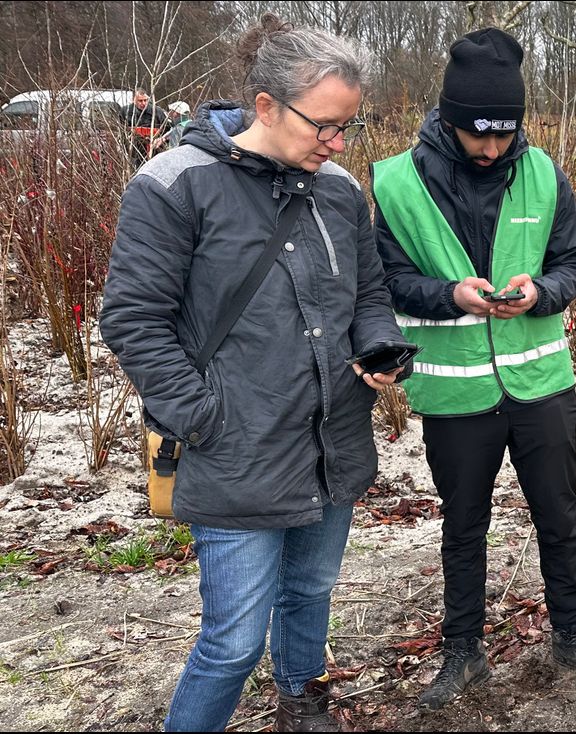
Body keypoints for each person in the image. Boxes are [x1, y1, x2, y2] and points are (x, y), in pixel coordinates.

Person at [100, 14, 404, 732]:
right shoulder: (175, 185)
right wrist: (203, 416)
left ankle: (301, 701)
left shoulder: (338, 190)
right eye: (324, 126)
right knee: (233, 640)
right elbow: (134, 321)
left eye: (348, 127)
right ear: (266, 105)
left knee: (311, 592)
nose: (337, 144)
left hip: (331, 438)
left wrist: (380, 346)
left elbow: (368, 293)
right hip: (234, 450)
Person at [370, 27, 576, 709]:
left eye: (504, 135)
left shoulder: (543, 172)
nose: (491, 149)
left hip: (541, 386)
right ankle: (463, 653)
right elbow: (386, 281)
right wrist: (450, 296)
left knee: (558, 518)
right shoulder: (397, 183)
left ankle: (573, 634)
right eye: (478, 136)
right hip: (455, 396)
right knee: (463, 528)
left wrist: (542, 291)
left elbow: (575, 262)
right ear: (449, 119)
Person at [120, 88, 170, 165]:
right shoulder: (126, 112)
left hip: (154, 151)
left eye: (145, 100)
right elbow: (121, 131)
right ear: (134, 100)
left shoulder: (157, 112)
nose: (143, 103)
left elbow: (167, 130)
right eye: (140, 101)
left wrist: (161, 140)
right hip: (134, 152)